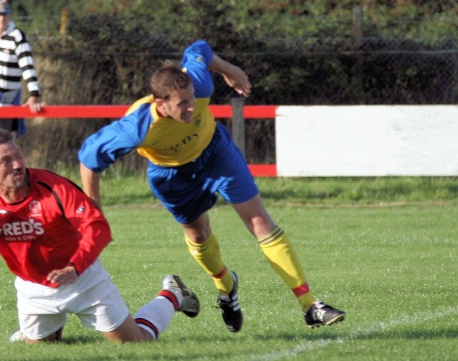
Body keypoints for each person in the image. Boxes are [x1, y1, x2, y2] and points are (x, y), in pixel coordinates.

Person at [78, 40, 346, 334]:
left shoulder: (199, 84)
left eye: (192, 98)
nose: (192, 107)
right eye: (182, 104)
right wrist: (94, 211)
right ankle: (226, 287)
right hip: (171, 175)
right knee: (198, 233)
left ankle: (310, 305)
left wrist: (229, 70)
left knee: (260, 221)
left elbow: (199, 49)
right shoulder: (137, 127)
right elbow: (89, 159)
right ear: (160, 104)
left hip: (215, 152)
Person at [0, 129, 199, 344]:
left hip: (82, 280)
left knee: (135, 343)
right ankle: (37, 329)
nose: (17, 165)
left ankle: (173, 294)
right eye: (6, 160)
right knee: (42, 349)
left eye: (18, 156)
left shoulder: (52, 187)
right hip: (34, 288)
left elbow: (97, 227)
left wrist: (75, 267)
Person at [0, 0, 42, 136]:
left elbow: (27, 66)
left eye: (5, 15)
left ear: (10, 16)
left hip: (5, 103)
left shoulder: (17, 36)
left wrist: (34, 95)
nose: (1, 19)